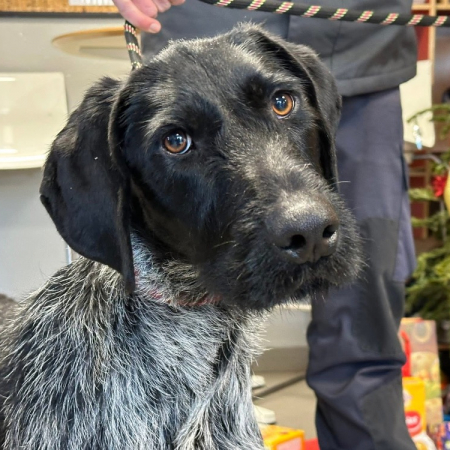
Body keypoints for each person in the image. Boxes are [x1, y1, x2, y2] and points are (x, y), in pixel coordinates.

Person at [112, 0, 418, 448]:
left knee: (367, 309)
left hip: (362, 43)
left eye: (282, 103)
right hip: (201, 23)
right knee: (180, 339)